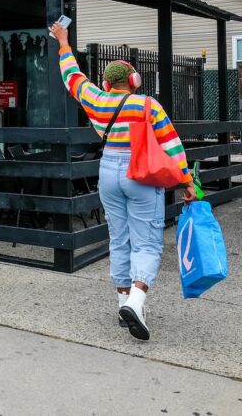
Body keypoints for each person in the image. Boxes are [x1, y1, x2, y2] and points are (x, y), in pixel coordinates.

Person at [49, 22, 196, 341]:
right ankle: (136, 300)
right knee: (147, 241)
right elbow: (172, 145)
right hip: (140, 173)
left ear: (106, 82)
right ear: (134, 81)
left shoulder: (96, 101)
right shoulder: (147, 105)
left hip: (108, 172)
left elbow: (72, 77)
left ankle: (123, 303)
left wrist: (63, 41)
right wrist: (187, 182)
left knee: (118, 238)